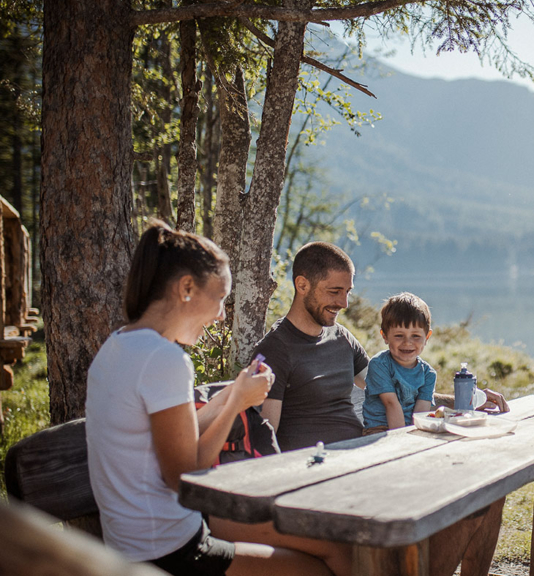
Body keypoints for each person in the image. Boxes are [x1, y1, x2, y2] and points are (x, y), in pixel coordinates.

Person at [86, 221, 350, 576]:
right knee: (331, 560)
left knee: (327, 540)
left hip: (142, 537)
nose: (222, 314)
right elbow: (186, 478)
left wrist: (231, 394)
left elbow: (175, 434)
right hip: (171, 548)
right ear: (186, 288)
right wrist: (238, 405)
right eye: (221, 298)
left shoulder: (120, 344)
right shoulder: (164, 359)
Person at [252, 241, 507, 576]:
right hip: (322, 476)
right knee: (451, 507)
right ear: (302, 285)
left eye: (348, 292)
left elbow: (391, 387)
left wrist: (469, 400)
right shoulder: (276, 349)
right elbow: (266, 438)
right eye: (334, 291)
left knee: (486, 492)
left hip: (366, 457)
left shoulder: (340, 337)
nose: (343, 303)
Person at [362, 292, 437, 433]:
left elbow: (421, 413)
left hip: (411, 430)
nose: (407, 342)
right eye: (398, 335)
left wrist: (415, 437)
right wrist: (402, 442)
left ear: (427, 337)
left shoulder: (428, 374)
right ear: (385, 336)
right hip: (379, 430)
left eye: (415, 336)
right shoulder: (379, 365)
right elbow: (391, 403)